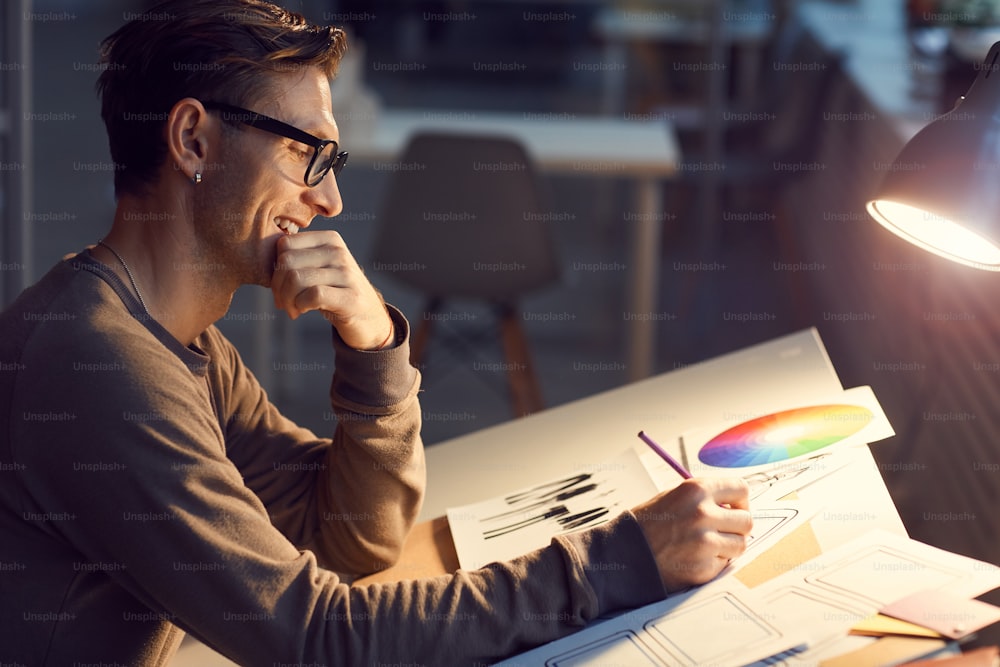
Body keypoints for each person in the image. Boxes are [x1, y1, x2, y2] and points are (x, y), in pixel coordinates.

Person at [0, 0, 752, 664]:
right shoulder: (95, 363)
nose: (327, 199)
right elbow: (320, 638)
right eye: (306, 153)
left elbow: (352, 536)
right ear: (193, 140)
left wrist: (371, 344)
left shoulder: (182, 345)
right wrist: (614, 563)